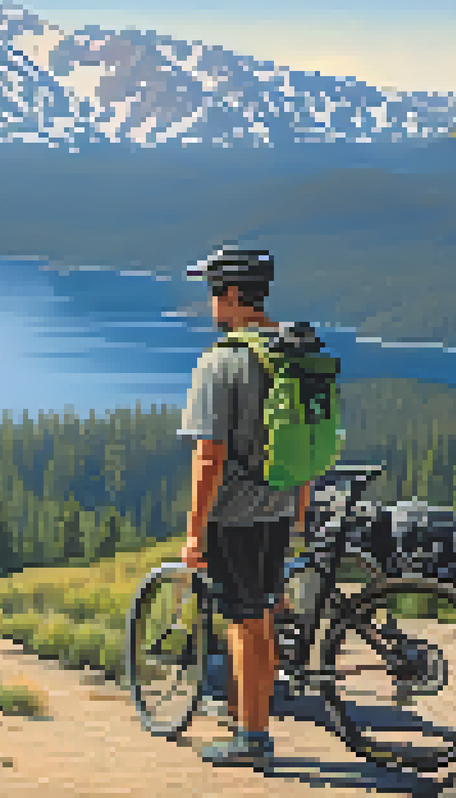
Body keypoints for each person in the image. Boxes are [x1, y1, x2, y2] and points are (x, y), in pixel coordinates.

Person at [178, 248, 314, 769]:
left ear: (234, 294)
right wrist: (300, 505)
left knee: (245, 622)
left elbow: (209, 454)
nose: (212, 302)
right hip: (279, 506)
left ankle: (252, 739)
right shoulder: (293, 350)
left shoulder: (222, 361)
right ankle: (246, 713)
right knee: (262, 616)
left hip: (235, 515)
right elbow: (305, 438)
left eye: (215, 291)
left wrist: (194, 531)